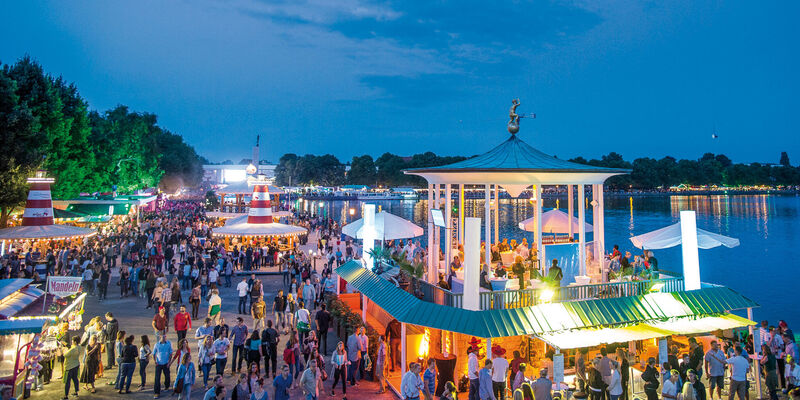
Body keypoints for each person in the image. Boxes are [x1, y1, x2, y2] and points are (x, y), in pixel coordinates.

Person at [153, 333, 174, 399]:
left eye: (165, 337)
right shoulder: (156, 344)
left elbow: (171, 353)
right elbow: (154, 353)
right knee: (157, 378)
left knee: (167, 376)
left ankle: (167, 386)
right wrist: (155, 361)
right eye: (163, 337)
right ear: (160, 337)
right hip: (159, 363)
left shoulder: (168, 344)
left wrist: (169, 362)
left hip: (166, 363)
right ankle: (157, 392)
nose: (164, 338)